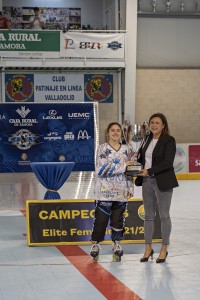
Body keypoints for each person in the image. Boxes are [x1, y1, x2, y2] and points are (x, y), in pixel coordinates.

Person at [90, 122, 134, 262]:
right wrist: (123, 165)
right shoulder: (102, 148)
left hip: (121, 192)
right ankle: (96, 245)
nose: (115, 133)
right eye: (112, 130)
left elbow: (131, 171)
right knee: (101, 220)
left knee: (117, 220)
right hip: (104, 191)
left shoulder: (128, 149)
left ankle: (116, 244)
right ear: (107, 133)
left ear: (121, 133)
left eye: (118, 130)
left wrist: (130, 187)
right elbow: (101, 170)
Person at [138, 113, 178, 263]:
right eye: (152, 122)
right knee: (148, 216)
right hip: (147, 181)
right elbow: (143, 158)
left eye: (157, 123)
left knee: (164, 215)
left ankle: (164, 248)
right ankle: (148, 248)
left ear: (163, 125)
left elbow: (168, 162)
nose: (154, 125)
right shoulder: (147, 139)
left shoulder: (169, 140)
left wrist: (150, 170)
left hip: (163, 181)